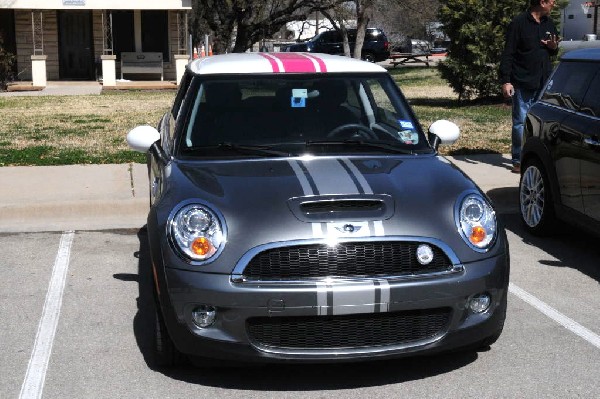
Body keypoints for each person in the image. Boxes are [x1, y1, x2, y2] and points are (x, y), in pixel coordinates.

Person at [499, 0, 560, 173]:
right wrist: (506, 80)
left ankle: (538, 158)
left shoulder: (549, 24)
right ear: (542, 2)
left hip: (543, 83)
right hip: (522, 81)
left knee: (541, 124)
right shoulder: (518, 23)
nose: (553, 5)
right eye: (552, 2)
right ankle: (518, 160)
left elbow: (553, 50)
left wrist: (553, 47)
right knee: (520, 122)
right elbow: (508, 53)